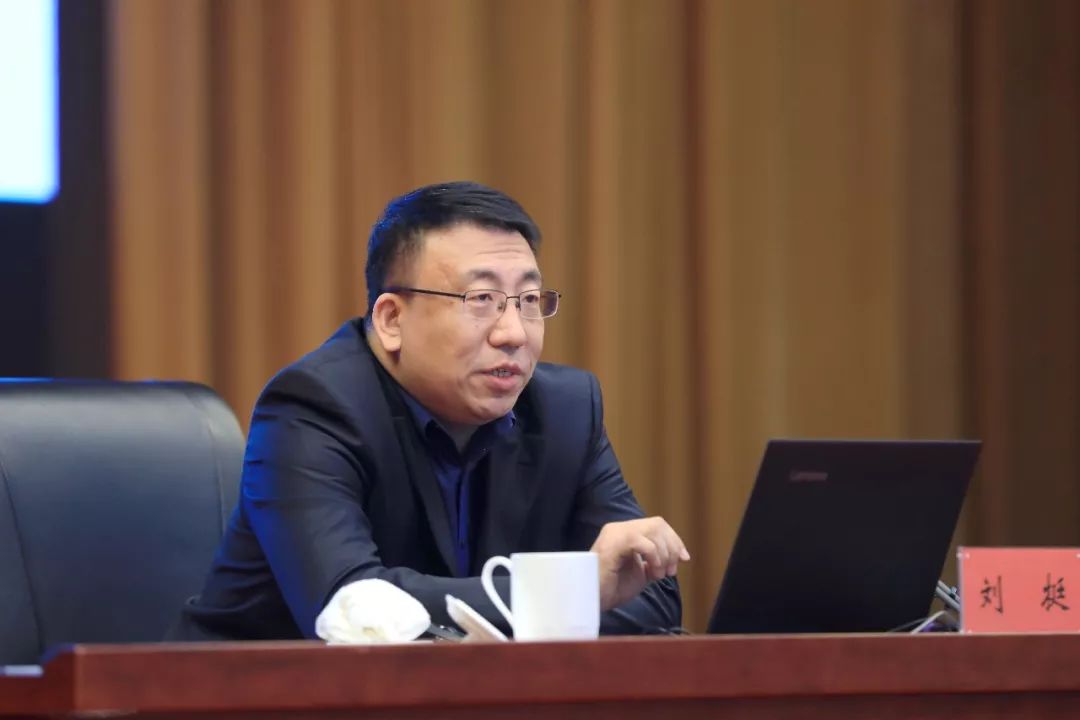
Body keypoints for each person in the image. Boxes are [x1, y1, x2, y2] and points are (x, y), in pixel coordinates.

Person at [169, 181, 689, 640]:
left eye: (529, 301)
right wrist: (566, 596)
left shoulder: (565, 410)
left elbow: (649, 593)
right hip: (257, 697)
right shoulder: (310, 409)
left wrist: (578, 597)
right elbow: (352, 609)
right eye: (481, 299)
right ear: (392, 319)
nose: (513, 333)